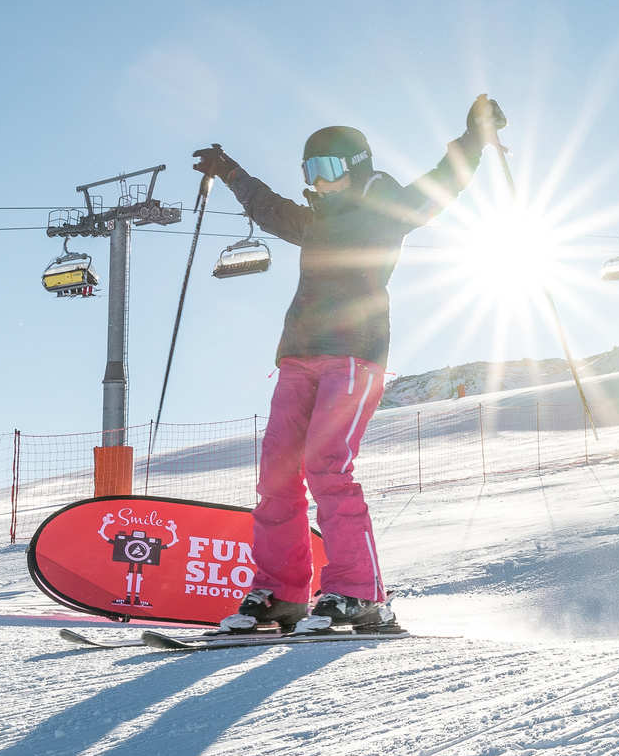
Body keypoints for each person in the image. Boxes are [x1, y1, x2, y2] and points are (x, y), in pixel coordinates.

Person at [191, 95, 505, 634]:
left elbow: (443, 182)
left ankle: (359, 594)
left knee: (326, 465)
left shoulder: (389, 211)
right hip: (298, 355)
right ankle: (281, 594)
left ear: (356, 168)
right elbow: (266, 207)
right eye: (310, 170)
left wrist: (475, 137)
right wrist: (231, 171)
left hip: (355, 355)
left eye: (329, 168)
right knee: (277, 474)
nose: (318, 180)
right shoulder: (311, 222)